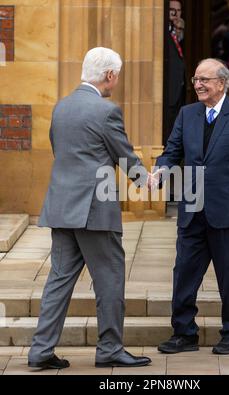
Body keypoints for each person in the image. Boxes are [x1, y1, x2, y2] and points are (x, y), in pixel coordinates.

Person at [28, 47, 151, 370]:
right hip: (94, 210)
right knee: (109, 279)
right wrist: (147, 180)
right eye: (117, 75)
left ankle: (40, 351)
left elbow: (62, 152)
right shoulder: (106, 111)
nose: (118, 80)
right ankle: (110, 348)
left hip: (61, 206)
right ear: (110, 75)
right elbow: (123, 154)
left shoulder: (61, 107)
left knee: (58, 279)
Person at [154, 58, 229, 355]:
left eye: (204, 80)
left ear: (222, 83)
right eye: (195, 80)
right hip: (192, 209)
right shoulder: (187, 114)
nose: (199, 85)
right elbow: (172, 151)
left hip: (228, 210)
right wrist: (161, 169)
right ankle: (184, 333)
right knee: (184, 274)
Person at [165, 0, 186, 146]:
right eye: (172, 10)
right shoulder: (163, 31)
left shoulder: (177, 31)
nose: (175, 14)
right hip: (168, 93)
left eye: (178, 11)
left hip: (178, 92)